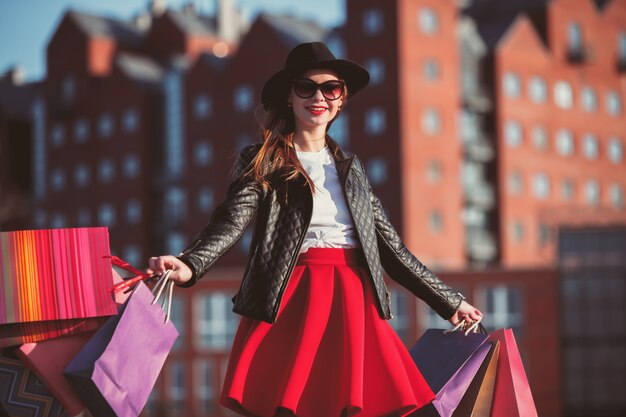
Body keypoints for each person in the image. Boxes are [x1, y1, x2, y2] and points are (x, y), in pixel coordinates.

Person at [148, 42, 483, 417]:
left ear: (341, 100)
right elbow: (231, 221)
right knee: (296, 404)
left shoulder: (352, 169)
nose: (318, 97)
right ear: (289, 97)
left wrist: (449, 302)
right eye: (306, 87)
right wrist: (190, 264)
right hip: (293, 297)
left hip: (354, 299)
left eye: (331, 88)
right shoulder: (264, 159)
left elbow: (392, 250)